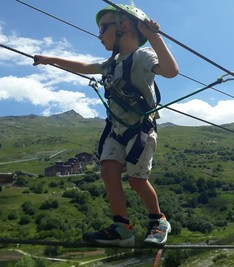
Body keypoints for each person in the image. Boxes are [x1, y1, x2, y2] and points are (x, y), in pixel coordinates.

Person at [33, 4, 178, 246]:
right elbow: (84, 67)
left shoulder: (142, 57)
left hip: (140, 128)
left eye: (102, 28)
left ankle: (158, 220)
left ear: (124, 26)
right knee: (108, 172)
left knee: (136, 180)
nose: (99, 35)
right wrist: (50, 59)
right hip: (116, 128)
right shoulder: (111, 64)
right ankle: (122, 227)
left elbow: (171, 71)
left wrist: (154, 37)